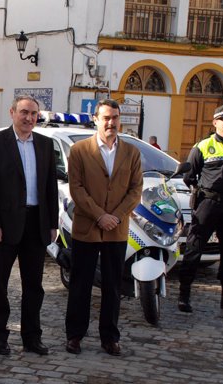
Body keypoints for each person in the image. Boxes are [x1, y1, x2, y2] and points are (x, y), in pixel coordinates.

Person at [0, 95, 58, 356]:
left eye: (34, 113)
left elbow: (50, 188)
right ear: (12, 112)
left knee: (34, 286)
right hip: (4, 227)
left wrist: (52, 223)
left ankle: (32, 338)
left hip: (36, 225)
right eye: (24, 112)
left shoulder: (46, 145)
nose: (29, 118)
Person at [64, 99, 143, 357]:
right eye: (106, 118)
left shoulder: (132, 153)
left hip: (116, 231)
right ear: (96, 119)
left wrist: (116, 217)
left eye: (115, 117)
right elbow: (76, 188)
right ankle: (75, 335)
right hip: (87, 228)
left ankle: (109, 337)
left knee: (112, 286)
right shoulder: (79, 150)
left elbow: (135, 190)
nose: (111, 123)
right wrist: (99, 215)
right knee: (81, 284)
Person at [178, 104, 223, 315]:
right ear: (215, 122)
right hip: (207, 204)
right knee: (194, 249)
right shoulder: (202, 146)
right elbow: (189, 175)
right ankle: (184, 296)